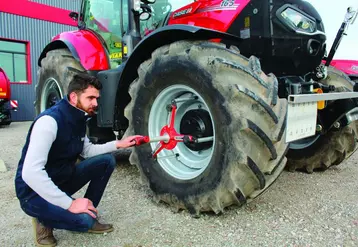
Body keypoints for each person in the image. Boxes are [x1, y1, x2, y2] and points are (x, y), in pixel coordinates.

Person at [14, 73, 141, 247]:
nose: (96, 103)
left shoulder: (79, 117)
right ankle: (43, 220)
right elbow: (30, 173)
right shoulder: (49, 122)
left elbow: (87, 151)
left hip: (60, 180)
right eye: (91, 98)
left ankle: (87, 210)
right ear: (74, 97)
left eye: (97, 98)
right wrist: (70, 204)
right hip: (33, 192)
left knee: (106, 161)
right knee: (84, 222)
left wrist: (119, 144)